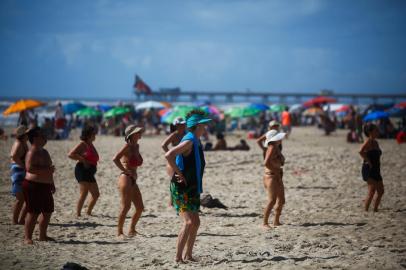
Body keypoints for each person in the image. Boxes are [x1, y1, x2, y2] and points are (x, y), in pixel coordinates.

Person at [165, 110, 211, 263]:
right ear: (197, 126)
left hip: (192, 187)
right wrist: (178, 172)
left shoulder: (196, 140)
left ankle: (188, 255)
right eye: (203, 125)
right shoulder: (189, 141)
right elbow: (169, 155)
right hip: (182, 188)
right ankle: (178, 258)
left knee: (196, 222)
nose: (205, 127)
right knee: (189, 222)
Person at [23, 127, 55, 244]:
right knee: (33, 212)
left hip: (45, 185)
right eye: (42, 135)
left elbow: (50, 170)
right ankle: (27, 237)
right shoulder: (32, 151)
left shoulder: (44, 151)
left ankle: (42, 235)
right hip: (33, 185)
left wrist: (51, 183)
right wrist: (47, 170)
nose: (44, 137)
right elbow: (29, 168)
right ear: (35, 138)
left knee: (47, 211)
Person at [112, 125, 145, 238]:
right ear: (131, 135)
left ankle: (131, 229)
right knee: (126, 206)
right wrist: (125, 170)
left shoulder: (137, 146)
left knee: (140, 207)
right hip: (125, 177)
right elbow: (115, 159)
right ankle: (119, 232)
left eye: (140, 131)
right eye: (138, 132)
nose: (140, 133)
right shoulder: (127, 146)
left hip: (133, 178)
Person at [68, 126, 100, 217]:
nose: (95, 135)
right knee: (84, 193)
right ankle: (78, 214)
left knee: (96, 194)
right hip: (82, 170)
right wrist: (83, 160)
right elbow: (70, 154)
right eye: (94, 133)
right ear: (89, 135)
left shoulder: (90, 144)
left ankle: (88, 211)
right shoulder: (83, 144)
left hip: (90, 172)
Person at [262, 130, 286, 229]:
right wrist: (275, 170)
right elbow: (266, 162)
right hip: (271, 175)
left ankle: (276, 221)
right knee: (272, 200)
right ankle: (264, 223)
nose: (281, 139)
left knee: (281, 199)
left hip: (276, 174)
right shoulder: (271, 147)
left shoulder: (276, 147)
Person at [162, 117, 187, 206]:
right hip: (175, 160)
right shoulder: (175, 134)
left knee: (183, 179)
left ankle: (180, 200)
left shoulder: (186, 134)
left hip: (184, 159)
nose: (183, 125)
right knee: (174, 180)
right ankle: (171, 202)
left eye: (184, 124)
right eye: (181, 124)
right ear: (177, 125)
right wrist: (170, 155)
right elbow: (163, 145)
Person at [359, 123, 384, 212]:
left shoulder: (376, 142)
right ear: (370, 132)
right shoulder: (368, 142)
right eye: (376, 130)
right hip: (368, 169)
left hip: (377, 169)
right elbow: (360, 151)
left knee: (381, 191)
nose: (378, 132)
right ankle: (366, 210)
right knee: (371, 191)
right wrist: (368, 161)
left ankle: (375, 209)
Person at [10, 126, 29, 224]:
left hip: (19, 170)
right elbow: (13, 155)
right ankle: (14, 220)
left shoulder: (23, 143)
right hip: (18, 171)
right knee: (20, 199)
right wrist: (23, 166)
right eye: (27, 133)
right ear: (23, 135)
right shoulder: (19, 143)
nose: (28, 135)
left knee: (24, 198)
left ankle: (20, 220)